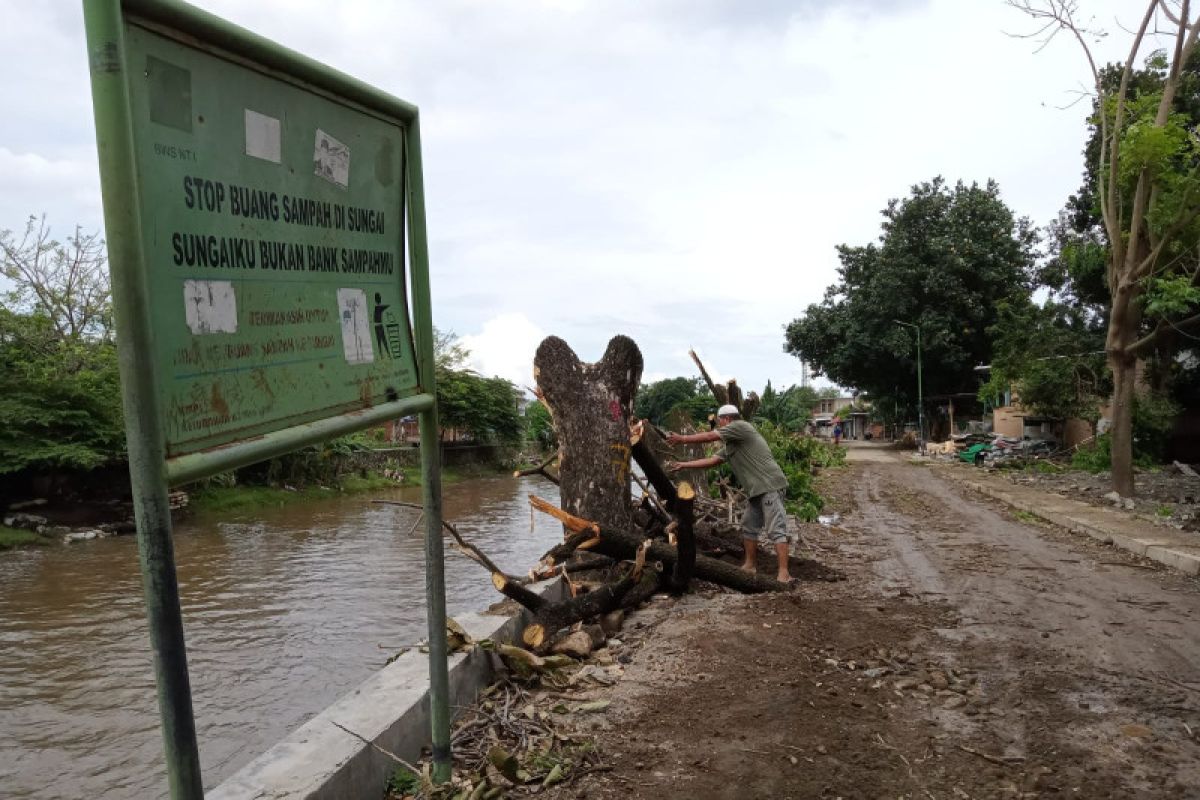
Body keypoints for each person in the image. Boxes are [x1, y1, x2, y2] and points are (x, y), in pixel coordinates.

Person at [664, 404, 793, 583]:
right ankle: (749, 566)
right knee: (748, 526)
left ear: (727, 419)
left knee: (776, 530)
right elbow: (712, 460)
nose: (719, 427)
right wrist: (683, 465)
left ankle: (784, 573)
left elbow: (710, 436)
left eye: (720, 423)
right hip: (756, 491)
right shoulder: (732, 444)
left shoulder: (742, 427)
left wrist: (682, 438)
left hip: (770, 486)